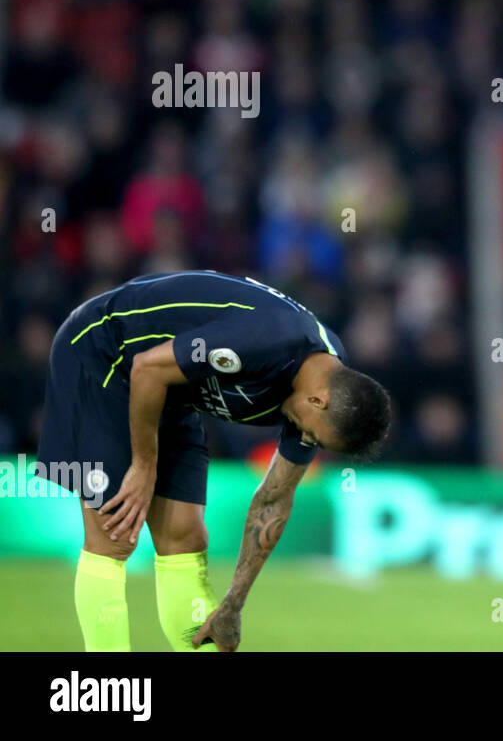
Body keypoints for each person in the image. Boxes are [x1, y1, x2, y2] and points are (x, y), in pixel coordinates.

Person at [35, 270, 392, 652]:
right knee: (114, 534)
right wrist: (143, 467)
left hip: (172, 390)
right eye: (314, 437)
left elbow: (273, 500)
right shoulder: (264, 342)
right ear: (318, 401)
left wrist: (232, 605)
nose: (306, 442)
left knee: (186, 538)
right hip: (104, 353)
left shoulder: (327, 387)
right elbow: (148, 367)